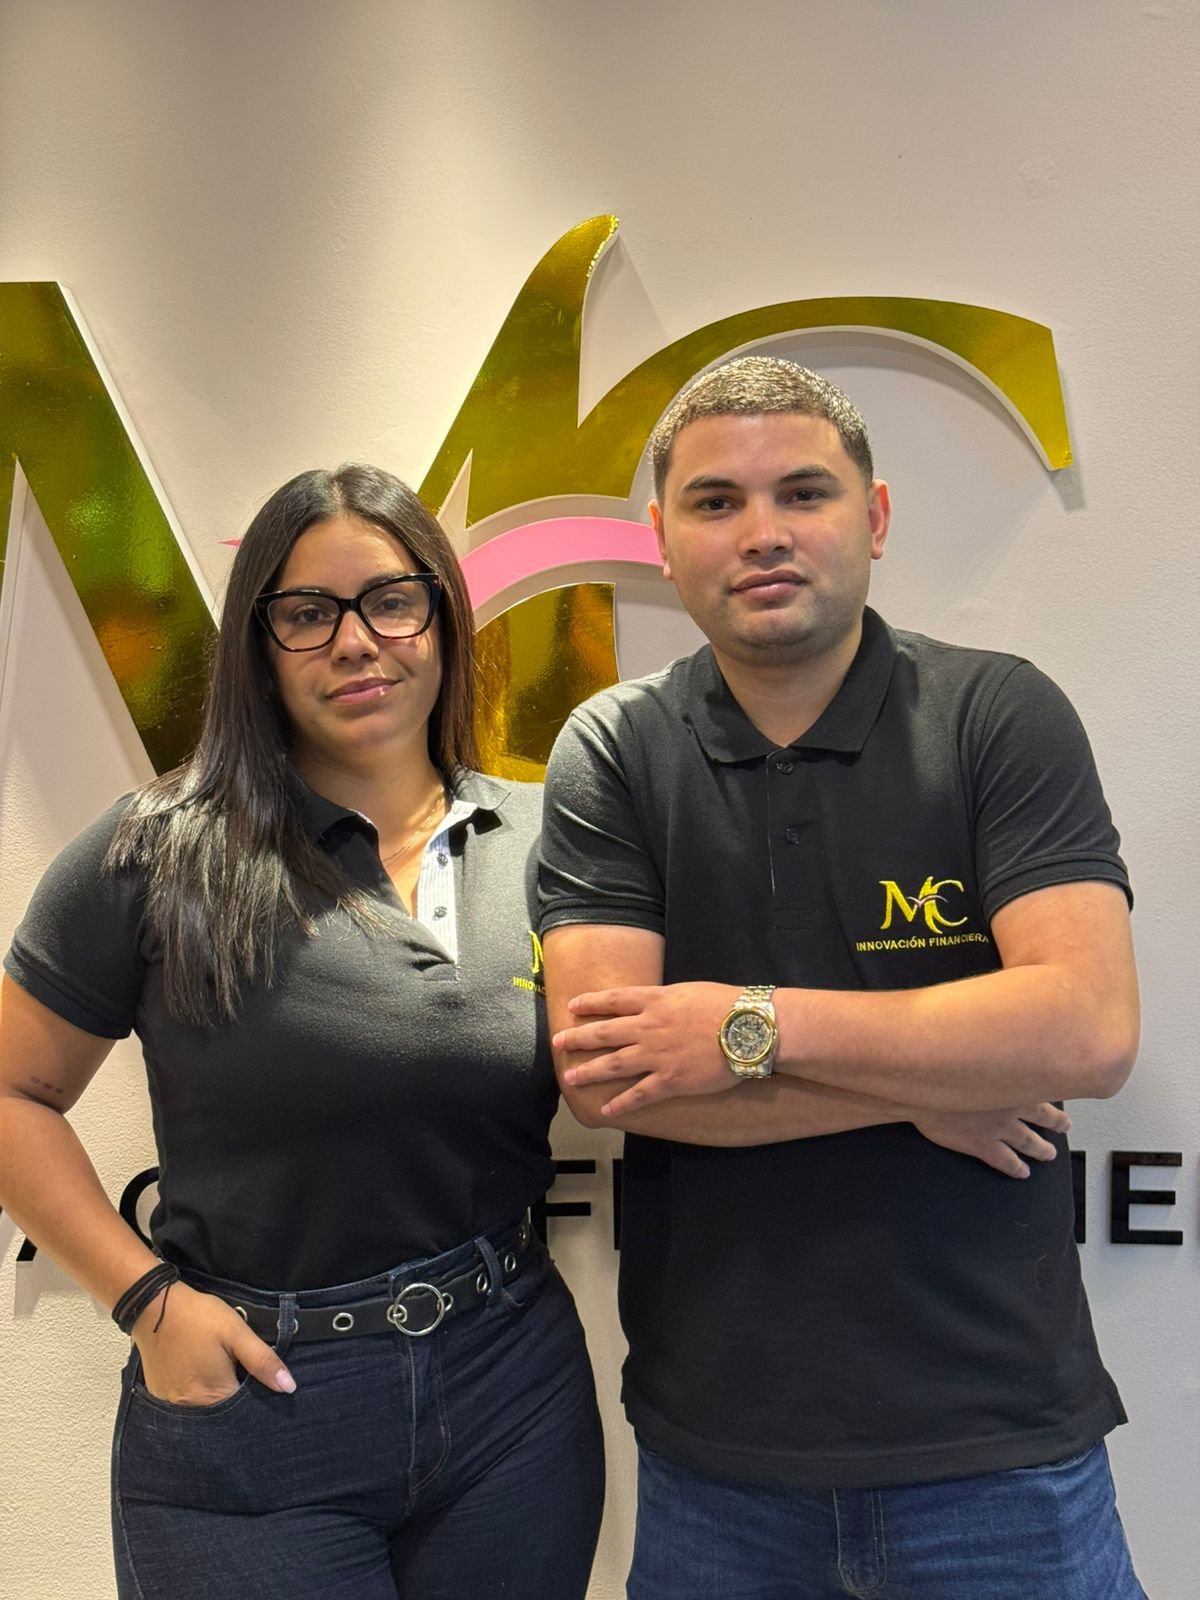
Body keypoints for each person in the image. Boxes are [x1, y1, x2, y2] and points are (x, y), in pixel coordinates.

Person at [539, 357, 1144, 1599]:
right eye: (714, 503)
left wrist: (744, 1028)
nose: (762, 533)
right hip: (718, 1463)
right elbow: (614, 1080)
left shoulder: (996, 716)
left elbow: (1084, 1028)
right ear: (660, 538)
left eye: (803, 492)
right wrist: (930, 1084)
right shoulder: (614, 748)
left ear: (871, 517)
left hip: (1000, 1448)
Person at [0, 464, 604, 1600]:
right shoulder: (154, 851)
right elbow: (10, 1091)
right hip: (257, 1411)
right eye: (306, 614)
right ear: (259, 647)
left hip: (510, 1389)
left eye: (390, 599)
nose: (356, 642)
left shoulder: (548, 839)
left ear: (441, 614)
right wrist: (146, 1302)